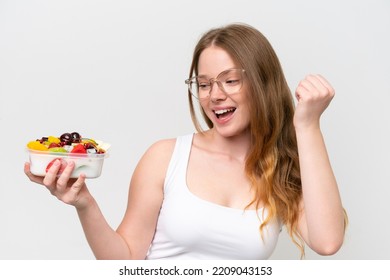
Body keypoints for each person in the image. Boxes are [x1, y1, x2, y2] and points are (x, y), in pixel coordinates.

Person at [24, 23, 347, 260]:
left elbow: (327, 241)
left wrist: (307, 126)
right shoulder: (165, 157)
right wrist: (85, 204)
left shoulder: (280, 167)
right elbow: (123, 261)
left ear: (263, 84)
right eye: (204, 84)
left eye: (230, 80)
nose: (215, 95)